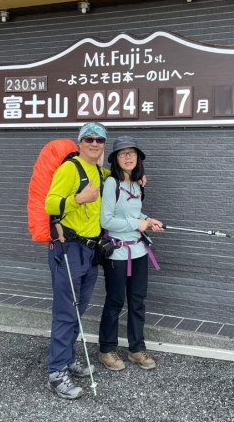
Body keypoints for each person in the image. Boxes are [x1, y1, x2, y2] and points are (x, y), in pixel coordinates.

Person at [45, 121, 110, 399]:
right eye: (89, 139)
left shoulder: (100, 171)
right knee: (66, 311)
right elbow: (50, 204)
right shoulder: (69, 169)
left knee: (79, 309)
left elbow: (121, 176)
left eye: (99, 140)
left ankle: (68, 358)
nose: (94, 144)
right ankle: (56, 372)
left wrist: (137, 177)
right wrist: (78, 199)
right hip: (67, 248)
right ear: (80, 142)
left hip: (90, 251)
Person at [98, 136, 163, 372]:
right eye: (122, 153)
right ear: (115, 159)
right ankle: (106, 350)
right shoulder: (111, 184)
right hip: (117, 253)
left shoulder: (137, 184)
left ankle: (136, 349)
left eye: (132, 153)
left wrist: (147, 220)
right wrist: (137, 223)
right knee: (115, 302)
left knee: (138, 302)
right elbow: (106, 221)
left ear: (138, 158)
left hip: (138, 251)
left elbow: (136, 213)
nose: (128, 157)